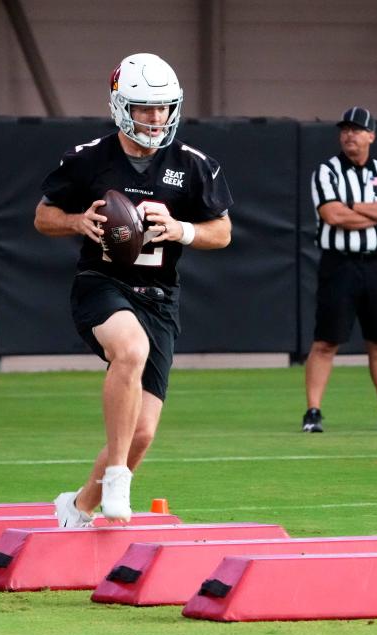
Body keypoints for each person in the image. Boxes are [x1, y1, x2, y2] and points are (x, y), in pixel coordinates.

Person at [34, 53, 233, 527]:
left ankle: (79, 505)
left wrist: (181, 229)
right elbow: (43, 217)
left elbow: (222, 231)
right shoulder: (87, 160)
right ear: (122, 106)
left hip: (160, 296)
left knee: (141, 431)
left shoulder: (192, 164)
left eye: (164, 107)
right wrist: (78, 221)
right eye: (145, 108)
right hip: (101, 284)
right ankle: (119, 478)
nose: (156, 117)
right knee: (130, 349)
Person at [302, 107, 377, 433]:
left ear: (371, 135)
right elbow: (333, 216)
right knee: (326, 341)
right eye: (345, 129)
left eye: (357, 129)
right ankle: (313, 411)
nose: (350, 135)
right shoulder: (327, 172)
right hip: (339, 264)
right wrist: (373, 212)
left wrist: (352, 207)